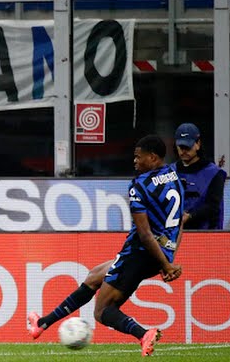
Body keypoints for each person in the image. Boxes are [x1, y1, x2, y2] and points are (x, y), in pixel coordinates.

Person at [28, 135, 189, 355]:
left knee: (102, 311)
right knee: (94, 276)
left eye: (138, 157)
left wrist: (166, 265)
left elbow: (144, 234)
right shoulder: (174, 175)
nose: (134, 161)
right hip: (159, 252)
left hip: (140, 253)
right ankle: (42, 324)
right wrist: (168, 258)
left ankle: (144, 335)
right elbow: (181, 220)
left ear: (152, 157)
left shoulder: (139, 186)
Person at [173, 123, 227, 229]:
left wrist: (190, 216)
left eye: (188, 147)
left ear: (198, 144)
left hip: (206, 235)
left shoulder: (215, 173)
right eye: (181, 147)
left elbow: (213, 207)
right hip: (174, 236)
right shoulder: (169, 172)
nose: (184, 151)